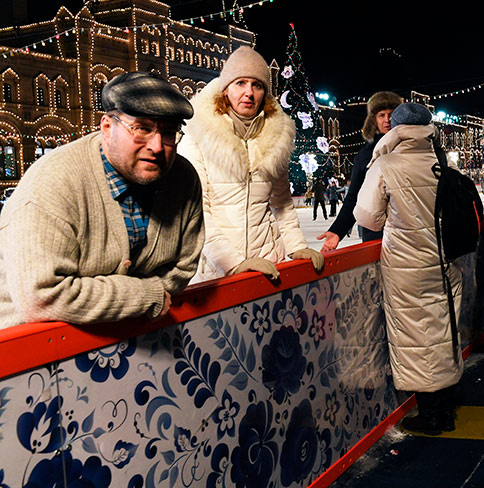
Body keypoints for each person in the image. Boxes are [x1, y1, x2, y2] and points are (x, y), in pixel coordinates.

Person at [0, 72, 204, 329]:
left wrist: (99, 300)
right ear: (107, 127)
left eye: (168, 133)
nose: (156, 145)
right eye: (142, 129)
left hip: (133, 340)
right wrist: (143, 295)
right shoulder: (53, 181)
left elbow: (184, 268)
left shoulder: (183, 178)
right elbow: (42, 297)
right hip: (27, 349)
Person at [354, 102, 462, 435]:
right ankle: (445, 411)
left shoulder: (386, 164)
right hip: (444, 260)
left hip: (406, 264)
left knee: (416, 336)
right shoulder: (440, 160)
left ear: (398, 129)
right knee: (443, 330)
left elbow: (368, 215)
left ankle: (429, 416)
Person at [179, 46, 323, 283]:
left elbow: (282, 204)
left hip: (269, 264)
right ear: (225, 90)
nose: (249, 92)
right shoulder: (198, 136)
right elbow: (197, 213)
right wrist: (234, 264)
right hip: (217, 270)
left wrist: (297, 246)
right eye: (240, 83)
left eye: (257, 85)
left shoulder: (276, 139)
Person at [317, 91, 403, 252]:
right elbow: (354, 197)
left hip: (410, 233)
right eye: (381, 115)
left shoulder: (413, 149)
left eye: (391, 114)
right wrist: (337, 231)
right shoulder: (365, 156)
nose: (387, 120)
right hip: (377, 234)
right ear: (373, 120)